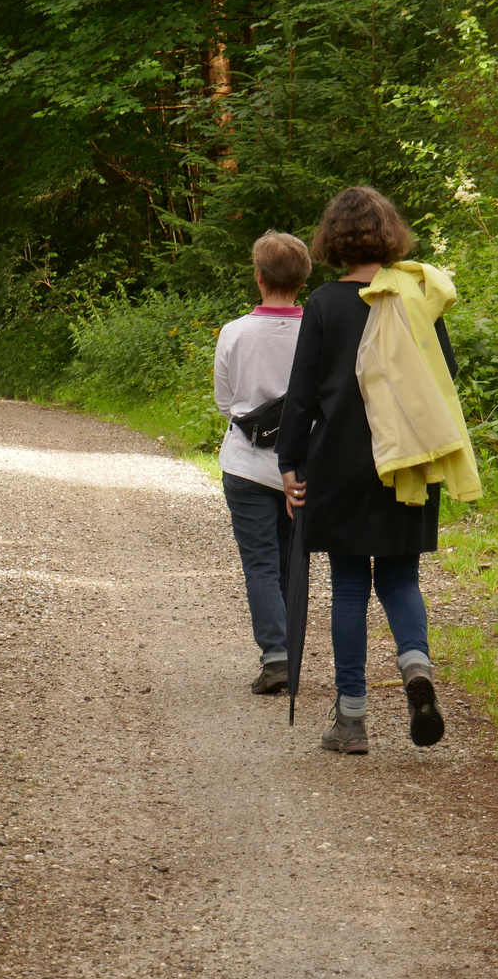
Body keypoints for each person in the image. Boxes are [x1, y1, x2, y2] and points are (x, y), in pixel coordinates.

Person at [276, 185, 481, 755]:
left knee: (348, 586)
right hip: (407, 462)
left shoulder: (323, 304)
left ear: (333, 239)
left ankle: (353, 718)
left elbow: (301, 395)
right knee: (400, 577)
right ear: (390, 234)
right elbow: (446, 376)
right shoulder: (414, 297)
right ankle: (416, 669)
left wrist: (290, 461)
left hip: (340, 464)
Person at [214, 231, 311, 695]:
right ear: (304, 278)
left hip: (247, 464)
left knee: (260, 563)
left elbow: (225, 401)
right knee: (295, 561)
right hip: (305, 468)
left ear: (258, 277)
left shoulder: (234, 333)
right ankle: (290, 654)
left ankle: (276, 656)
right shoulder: (319, 329)